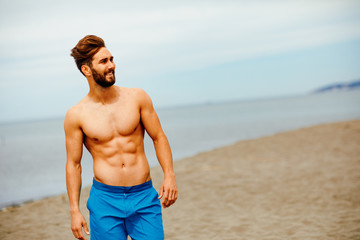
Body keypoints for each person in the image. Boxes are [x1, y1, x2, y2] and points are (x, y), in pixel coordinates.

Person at [65, 35, 177, 240]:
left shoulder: (137, 97)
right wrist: (74, 209)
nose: (112, 65)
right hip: (105, 200)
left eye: (111, 59)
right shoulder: (77, 115)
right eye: (104, 61)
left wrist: (169, 175)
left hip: (143, 195)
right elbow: (74, 164)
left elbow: (159, 137)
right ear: (86, 70)